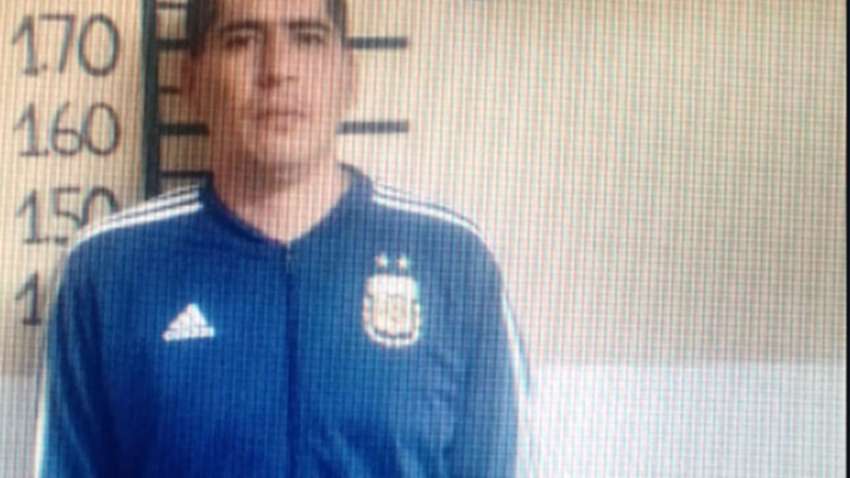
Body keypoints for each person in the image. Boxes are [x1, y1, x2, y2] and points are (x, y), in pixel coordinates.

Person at [34, 0, 530, 476]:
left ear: (349, 76)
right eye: (242, 39)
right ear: (192, 81)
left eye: (307, 37)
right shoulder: (107, 271)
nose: (278, 69)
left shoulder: (455, 260)